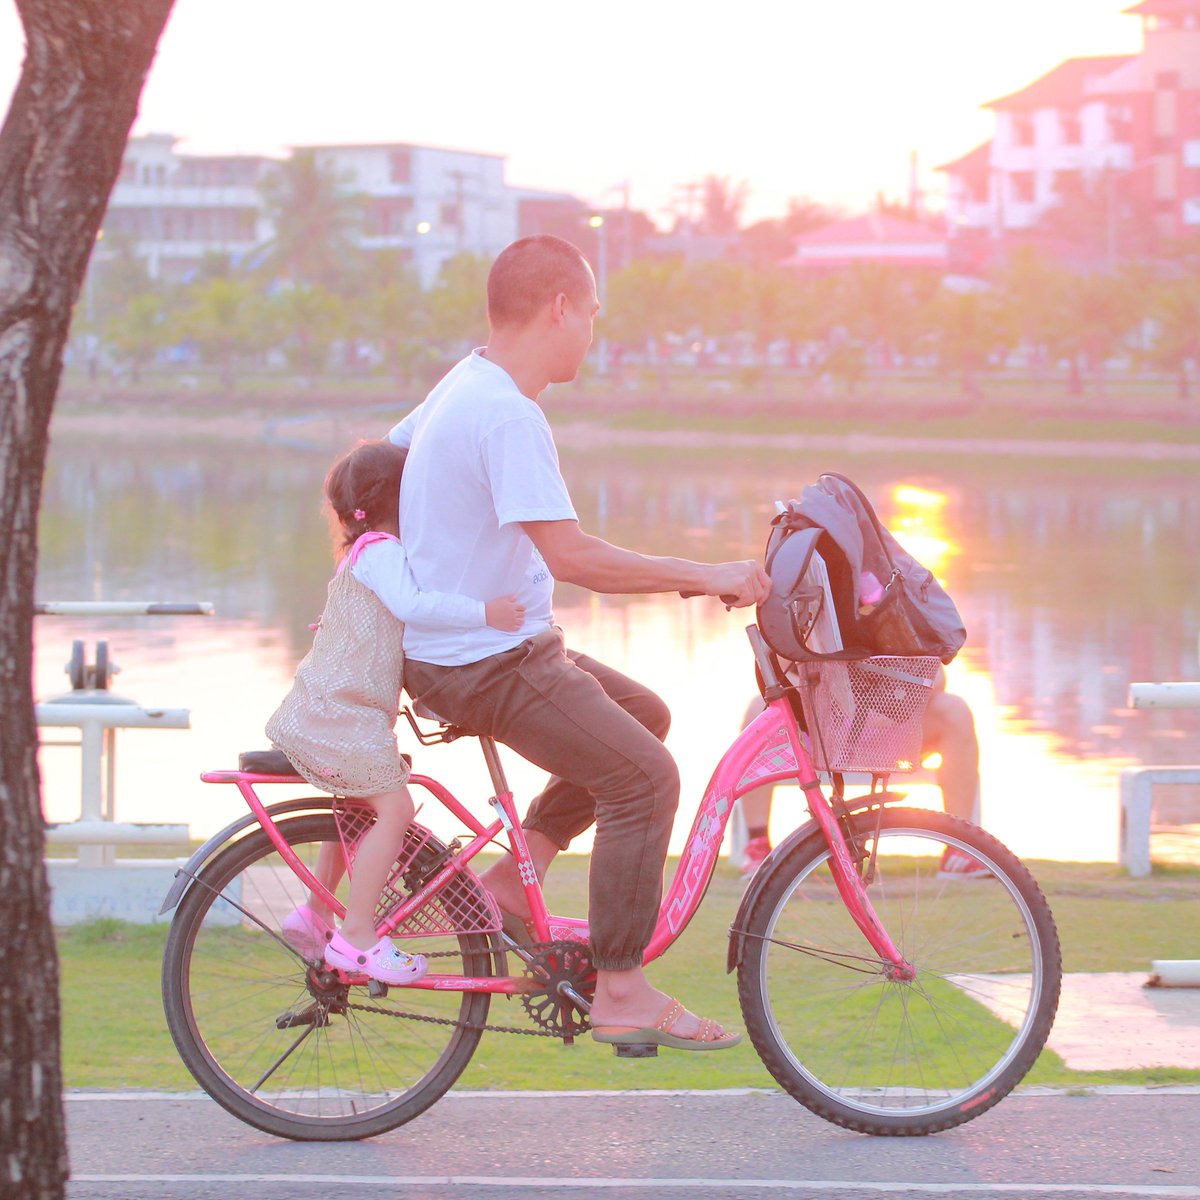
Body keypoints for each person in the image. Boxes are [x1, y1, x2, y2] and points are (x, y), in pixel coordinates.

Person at [388, 234, 772, 1052]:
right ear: (560, 308)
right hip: (483, 662)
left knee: (646, 713)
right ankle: (623, 988)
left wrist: (394, 583)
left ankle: (512, 879)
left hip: (488, 647)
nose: (593, 332)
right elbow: (576, 559)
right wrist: (709, 574)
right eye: (592, 313)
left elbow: (381, 461)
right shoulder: (506, 414)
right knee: (645, 779)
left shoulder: (466, 382)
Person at [266, 439, 525, 985]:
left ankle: (314, 914)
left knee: (359, 808)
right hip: (339, 715)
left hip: (334, 710)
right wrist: (488, 613)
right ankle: (358, 936)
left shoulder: (364, 554)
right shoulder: (383, 552)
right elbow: (413, 607)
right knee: (396, 809)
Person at [737, 665, 985, 878]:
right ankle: (758, 846)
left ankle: (959, 850)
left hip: (896, 727)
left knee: (955, 710)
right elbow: (776, 676)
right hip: (821, 730)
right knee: (758, 709)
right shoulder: (806, 614)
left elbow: (937, 678)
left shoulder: (898, 612)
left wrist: (887, 706)